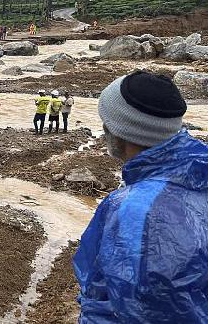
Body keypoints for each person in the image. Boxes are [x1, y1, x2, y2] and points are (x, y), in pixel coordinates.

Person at [73, 71, 208, 322]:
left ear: (119, 131)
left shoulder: (133, 209)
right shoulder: (200, 170)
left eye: (106, 121)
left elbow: (134, 309)